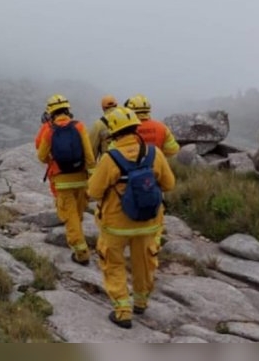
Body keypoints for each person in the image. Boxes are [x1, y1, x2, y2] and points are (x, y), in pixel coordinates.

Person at [87, 107, 175, 329]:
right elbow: (169, 185)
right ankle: (141, 302)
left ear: (113, 133)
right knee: (144, 263)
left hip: (115, 225)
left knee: (114, 264)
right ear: (136, 128)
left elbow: (94, 192)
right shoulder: (155, 154)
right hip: (148, 222)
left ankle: (123, 311)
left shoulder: (110, 158)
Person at [37, 94, 95, 266]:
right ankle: (80, 240)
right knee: (77, 215)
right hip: (81, 178)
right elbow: (89, 154)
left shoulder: (49, 130)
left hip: (62, 181)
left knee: (70, 218)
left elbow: (41, 156)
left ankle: (81, 253)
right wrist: (92, 173)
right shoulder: (79, 126)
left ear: (51, 112)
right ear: (68, 110)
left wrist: (53, 161)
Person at [124, 94, 180, 248]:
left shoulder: (128, 129)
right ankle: (153, 247)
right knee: (156, 211)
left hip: (130, 177)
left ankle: (134, 241)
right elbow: (173, 149)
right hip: (155, 177)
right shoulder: (161, 127)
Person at [89, 95, 119, 161]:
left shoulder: (98, 124)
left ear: (103, 108)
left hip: (107, 162)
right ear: (116, 105)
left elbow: (92, 148)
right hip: (126, 163)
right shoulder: (125, 120)